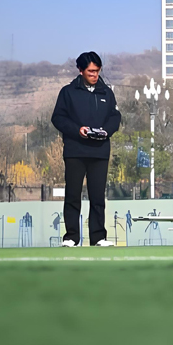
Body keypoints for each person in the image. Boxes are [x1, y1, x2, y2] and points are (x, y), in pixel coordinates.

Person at [51, 52, 120, 247]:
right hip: (75, 151)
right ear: (80, 70)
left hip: (100, 152)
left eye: (97, 71)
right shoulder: (68, 92)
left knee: (97, 197)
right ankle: (71, 237)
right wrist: (77, 130)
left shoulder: (107, 93)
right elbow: (58, 118)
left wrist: (106, 131)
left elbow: (115, 117)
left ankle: (98, 237)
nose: (94, 75)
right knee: (73, 195)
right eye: (90, 71)